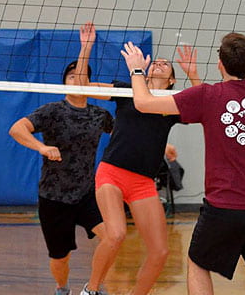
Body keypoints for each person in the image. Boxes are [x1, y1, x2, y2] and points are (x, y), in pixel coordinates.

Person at [122, 32, 245, 295]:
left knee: (197, 265)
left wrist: (137, 69)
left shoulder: (208, 95)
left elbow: (143, 102)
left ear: (220, 63)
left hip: (223, 209)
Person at [86, 36, 202, 295]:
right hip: (112, 174)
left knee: (160, 251)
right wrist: (86, 48)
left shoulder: (172, 104)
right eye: (156, 62)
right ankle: (90, 290)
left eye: (165, 64)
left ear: (172, 80)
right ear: (145, 70)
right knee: (115, 235)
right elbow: (83, 86)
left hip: (143, 183)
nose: (159, 64)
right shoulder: (127, 91)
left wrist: (193, 75)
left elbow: (204, 107)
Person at [8, 22, 116, 295]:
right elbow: (16, 129)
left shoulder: (99, 114)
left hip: (87, 195)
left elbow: (126, 136)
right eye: (71, 77)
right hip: (54, 197)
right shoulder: (52, 111)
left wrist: (164, 146)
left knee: (112, 237)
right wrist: (41, 148)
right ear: (63, 83)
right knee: (60, 258)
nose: (77, 81)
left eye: (81, 77)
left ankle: (93, 288)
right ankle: (62, 289)